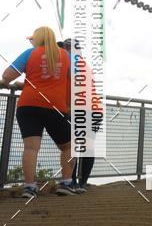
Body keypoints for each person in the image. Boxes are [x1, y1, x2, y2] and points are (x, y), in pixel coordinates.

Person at [1, 27, 74, 198]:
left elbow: (7, 75)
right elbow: (76, 82)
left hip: (28, 105)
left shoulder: (29, 53)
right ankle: (66, 183)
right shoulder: (66, 56)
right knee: (69, 146)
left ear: (38, 38)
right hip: (55, 107)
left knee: (31, 148)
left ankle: (29, 187)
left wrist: (17, 83)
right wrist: (69, 104)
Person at [62, 38, 102, 192]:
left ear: (68, 48)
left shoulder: (70, 61)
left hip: (79, 109)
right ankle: (82, 183)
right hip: (95, 109)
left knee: (72, 146)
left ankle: (71, 182)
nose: (63, 50)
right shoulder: (84, 64)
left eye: (64, 47)